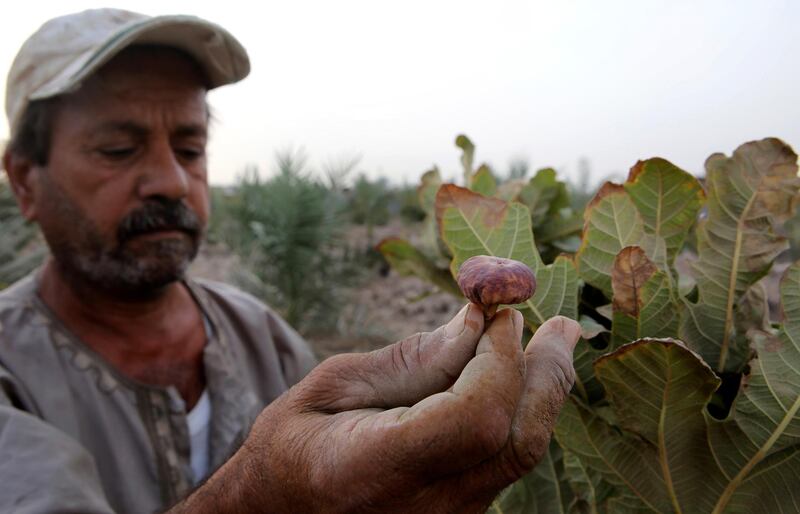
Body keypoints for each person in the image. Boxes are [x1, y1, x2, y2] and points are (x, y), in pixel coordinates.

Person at [0, 8, 581, 514]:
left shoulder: (262, 335)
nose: (172, 182)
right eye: (118, 150)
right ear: (25, 180)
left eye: (190, 149)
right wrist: (265, 498)